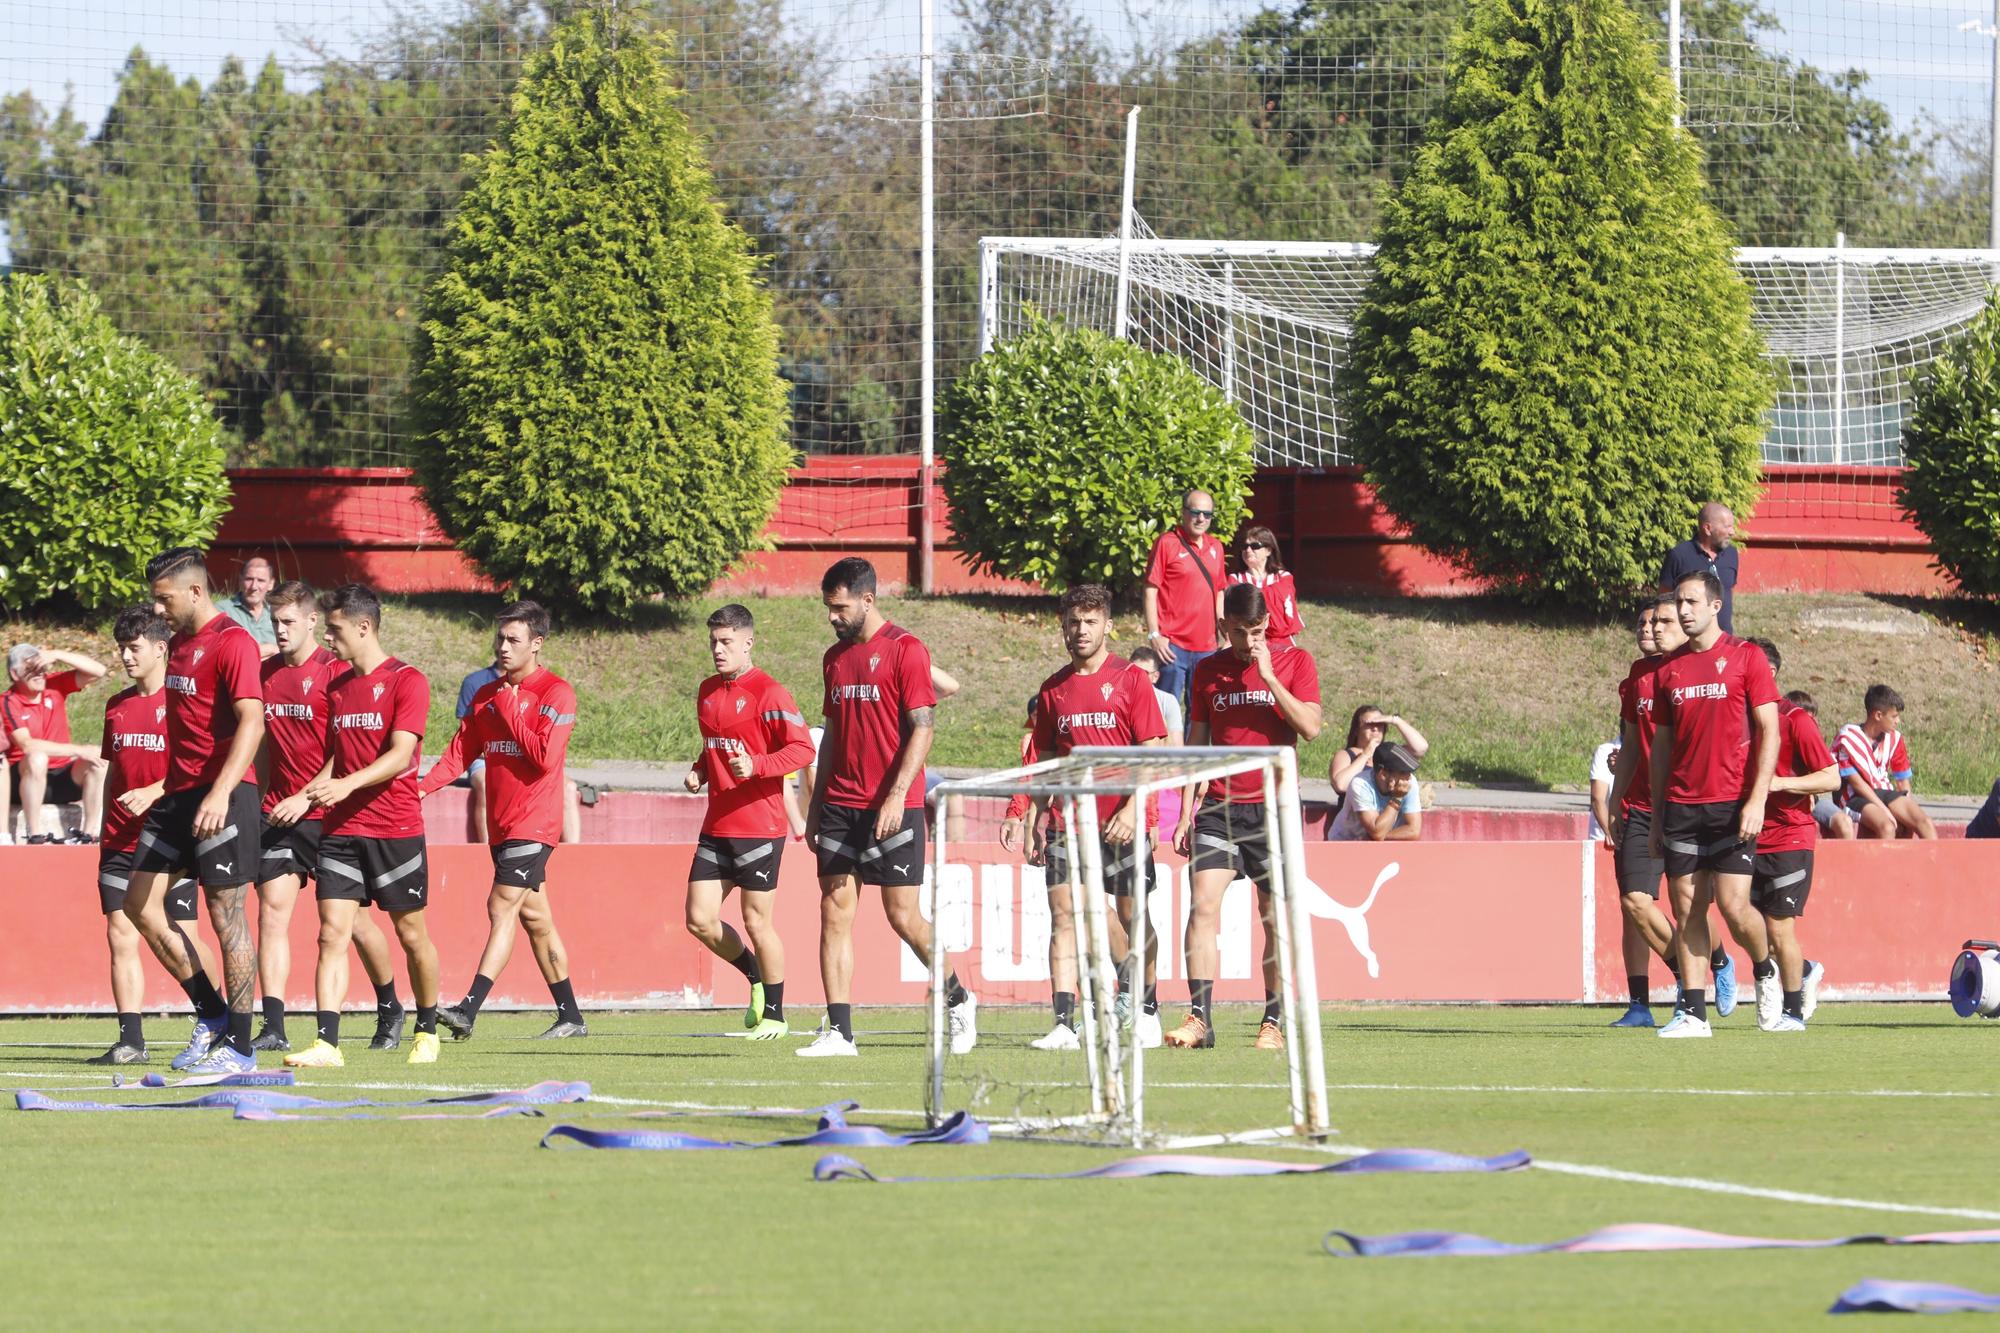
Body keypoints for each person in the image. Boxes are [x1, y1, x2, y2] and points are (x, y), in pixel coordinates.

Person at [799, 557, 975, 1058]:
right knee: (834, 911)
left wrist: (897, 794)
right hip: (839, 805)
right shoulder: (834, 659)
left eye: (840, 607)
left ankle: (959, 998)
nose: (832, 617)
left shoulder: (907, 651)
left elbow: (923, 726)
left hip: (894, 805)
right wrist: (815, 808)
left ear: (868, 599)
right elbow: (830, 733)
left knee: (903, 916)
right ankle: (840, 1032)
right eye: (828, 608)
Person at [1000, 585, 1167, 1052]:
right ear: (1063, 626)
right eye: (1073, 622)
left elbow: (1152, 753)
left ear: (1108, 626)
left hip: (1121, 821)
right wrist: (1034, 816)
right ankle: (1064, 1022)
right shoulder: (1053, 689)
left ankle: (1143, 1001)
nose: (1081, 630)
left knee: (1131, 917)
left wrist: (1135, 810)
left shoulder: (1132, 680)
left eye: (1090, 622)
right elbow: (1045, 761)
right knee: (1064, 914)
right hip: (1067, 824)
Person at [284, 584, 442, 1067]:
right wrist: (308, 791)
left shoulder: (408, 680)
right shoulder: (337, 686)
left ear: (363, 627)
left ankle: (427, 1029)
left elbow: (400, 755)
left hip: (394, 829)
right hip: (340, 830)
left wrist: (346, 785)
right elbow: (338, 757)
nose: (328, 639)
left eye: (333, 629)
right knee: (332, 932)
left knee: (410, 933)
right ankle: (327, 1043)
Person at [126, 547, 266, 1073]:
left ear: (195, 591)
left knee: (227, 920)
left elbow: (252, 723)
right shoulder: (180, 644)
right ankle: (212, 1014)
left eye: (164, 600)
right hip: (179, 796)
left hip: (222, 796)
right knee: (139, 903)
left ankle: (243, 1050)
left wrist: (221, 792)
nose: (158, 610)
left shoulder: (235, 643)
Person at [252, 580, 404, 1054]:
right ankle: (274, 1024)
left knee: (353, 925)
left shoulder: (335, 674)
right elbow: (261, 743)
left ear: (313, 622)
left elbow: (345, 751)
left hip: (328, 814)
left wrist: (307, 796)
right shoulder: (265, 674)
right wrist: (263, 796)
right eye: (274, 622)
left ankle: (390, 1005)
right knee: (271, 914)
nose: (279, 630)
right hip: (278, 813)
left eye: (288, 622)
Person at [422, 602, 585, 1043]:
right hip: (502, 824)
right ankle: (572, 1016)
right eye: (500, 638)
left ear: (537, 644)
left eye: (514, 639)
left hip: (536, 823)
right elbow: (459, 754)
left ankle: (468, 1010)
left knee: (500, 907)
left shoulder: (556, 693)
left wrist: (512, 713)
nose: (503, 647)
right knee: (536, 920)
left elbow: (545, 758)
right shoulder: (485, 696)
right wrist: (419, 789)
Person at [1170, 581, 1322, 1051]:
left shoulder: (1296, 662)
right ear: (1224, 628)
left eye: (1258, 631)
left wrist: (1270, 676)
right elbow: (1198, 746)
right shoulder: (1208, 672)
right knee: (1202, 906)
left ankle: (1272, 1021)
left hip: (1274, 810)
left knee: (1274, 918)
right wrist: (1184, 809)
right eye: (1240, 632)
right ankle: (1199, 1019)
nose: (1250, 641)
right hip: (1218, 807)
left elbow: (1312, 728)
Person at [1647, 570, 1781, 1039]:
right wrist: (1659, 815)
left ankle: (1765, 970)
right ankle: (1693, 1013)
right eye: (1678, 602)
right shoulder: (1669, 669)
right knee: (1688, 909)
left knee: (1734, 907)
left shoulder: (1747, 658)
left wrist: (1757, 799)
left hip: (1733, 805)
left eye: (1690, 602)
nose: (1682, 611)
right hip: (1683, 807)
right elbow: (1661, 749)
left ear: (1715, 605)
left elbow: (1770, 730)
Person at [88, 608, 218, 1064]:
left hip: (171, 839)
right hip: (119, 842)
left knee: (182, 931)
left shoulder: (184, 703)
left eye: (134, 647)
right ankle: (131, 1040)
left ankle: (214, 1016)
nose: (126, 656)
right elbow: (112, 773)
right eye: (121, 647)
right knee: (120, 932)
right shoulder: (116, 705)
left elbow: (198, 766)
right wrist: (102, 825)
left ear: (162, 648)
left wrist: (156, 791)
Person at [683, 604, 815, 1041]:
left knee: (758, 923)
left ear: (748, 642)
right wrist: (701, 770)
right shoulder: (706, 690)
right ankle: (755, 974)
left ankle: (775, 1015)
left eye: (726, 642)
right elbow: (715, 744)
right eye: (713, 642)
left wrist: (757, 765)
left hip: (759, 828)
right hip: (716, 825)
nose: (718, 650)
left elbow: (802, 751)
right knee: (699, 920)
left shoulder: (770, 693)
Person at [1603, 594, 1707, 1030]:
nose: (1649, 628)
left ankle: (1718, 968)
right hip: (1639, 808)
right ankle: (1658, 995)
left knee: (1695, 907)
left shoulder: (1693, 673)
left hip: (1686, 806)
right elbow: (1632, 744)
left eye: (1659, 621)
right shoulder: (1635, 678)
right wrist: (1615, 794)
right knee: (1634, 905)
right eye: (1643, 623)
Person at [1745, 639, 1838, 1031]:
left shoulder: (1796, 719)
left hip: (1789, 837)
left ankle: (1794, 1011)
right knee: (1743, 923)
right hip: (1744, 834)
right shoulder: (1730, 717)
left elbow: (1831, 777)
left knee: (1779, 928)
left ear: (1770, 673)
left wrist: (1779, 783)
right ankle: (1807, 968)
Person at [3, 642, 108, 843]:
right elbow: (27, 745)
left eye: (41, 668)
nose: (39, 674)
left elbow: (99, 671)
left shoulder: (54, 685)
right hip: (25, 779)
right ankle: (34, 834)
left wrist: (57, 653)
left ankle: (88, 835)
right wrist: (78, 750)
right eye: (31, 669)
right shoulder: (9, 701)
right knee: (37, 758)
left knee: (98, 761)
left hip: (60, 778)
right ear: (15, 674)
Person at [1143, 490, 1227, 705]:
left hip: (1207, 648)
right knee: (1165, 710)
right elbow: (1150, 590)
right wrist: (1154, 635)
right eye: (1196, 512)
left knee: (1200, 714)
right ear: (1183, 512)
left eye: (1207, 514)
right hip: (1172, 647)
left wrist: (1225, 634)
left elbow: (1218, 592)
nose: (1201, 519)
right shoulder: (1166, 543)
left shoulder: (1216, 546)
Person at [1836, 685, 1937, 840]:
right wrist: (1885, 810)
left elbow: (1903, 781)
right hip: (1856, 796)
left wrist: (1905, 813)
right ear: (1878, 715)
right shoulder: (1849, 739)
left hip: (1884, 791)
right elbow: (1857, 784)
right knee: (1887, 827)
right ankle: (1885, 864)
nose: (1898, 721)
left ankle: (1934, 863)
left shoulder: (1894, 738)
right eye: (1894, 716)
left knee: (1924, 823)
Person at [1659, 503, 1739, 634]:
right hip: (1688, 640)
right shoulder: (1679, 556)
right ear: (1707, 528)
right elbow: (1664, 599)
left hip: (1723, 639)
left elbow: (1729, 590)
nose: (1732, 532)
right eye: (1727, 527)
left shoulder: (1731, 554)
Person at [1223, 525, 1304, 650]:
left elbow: (1282, 620)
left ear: (1268, 550)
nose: (1248, 550)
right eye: (1245, 547)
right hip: (1249, 642)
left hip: (1282, 643)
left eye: (1255, 546)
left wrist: (1252, 596)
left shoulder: (1283, 577)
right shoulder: (1235, 578)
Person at [1328, 706, 1430, 803]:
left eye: (1380, 723)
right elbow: (1340, 785)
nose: (1375, 728)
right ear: (1357, 729)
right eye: (1369, 724)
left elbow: (1420, 748)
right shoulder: (1346, 755)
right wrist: (1365, 755)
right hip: (1355, 816)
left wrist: (1395, 720)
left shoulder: (1389, 752)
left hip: (1387, 815)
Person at [1328, 743, 1422, 842]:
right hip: (1345, 844)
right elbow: (1377, 832)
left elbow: (1413, 831)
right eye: (1402, 772)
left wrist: (1381, 836)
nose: (1408, 777)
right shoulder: (1360, 784)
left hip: (1379, 845)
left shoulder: (1408, 781)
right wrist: (1397, 798)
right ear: (1383, 774)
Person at [217, 556, 280, 660]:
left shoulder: (277, 612)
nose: (254, 587)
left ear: (271, 584)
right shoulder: (222, 611)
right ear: (240, 580)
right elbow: (220, 652)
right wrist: (271, 649)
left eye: (261, 580)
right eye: (249, 579)